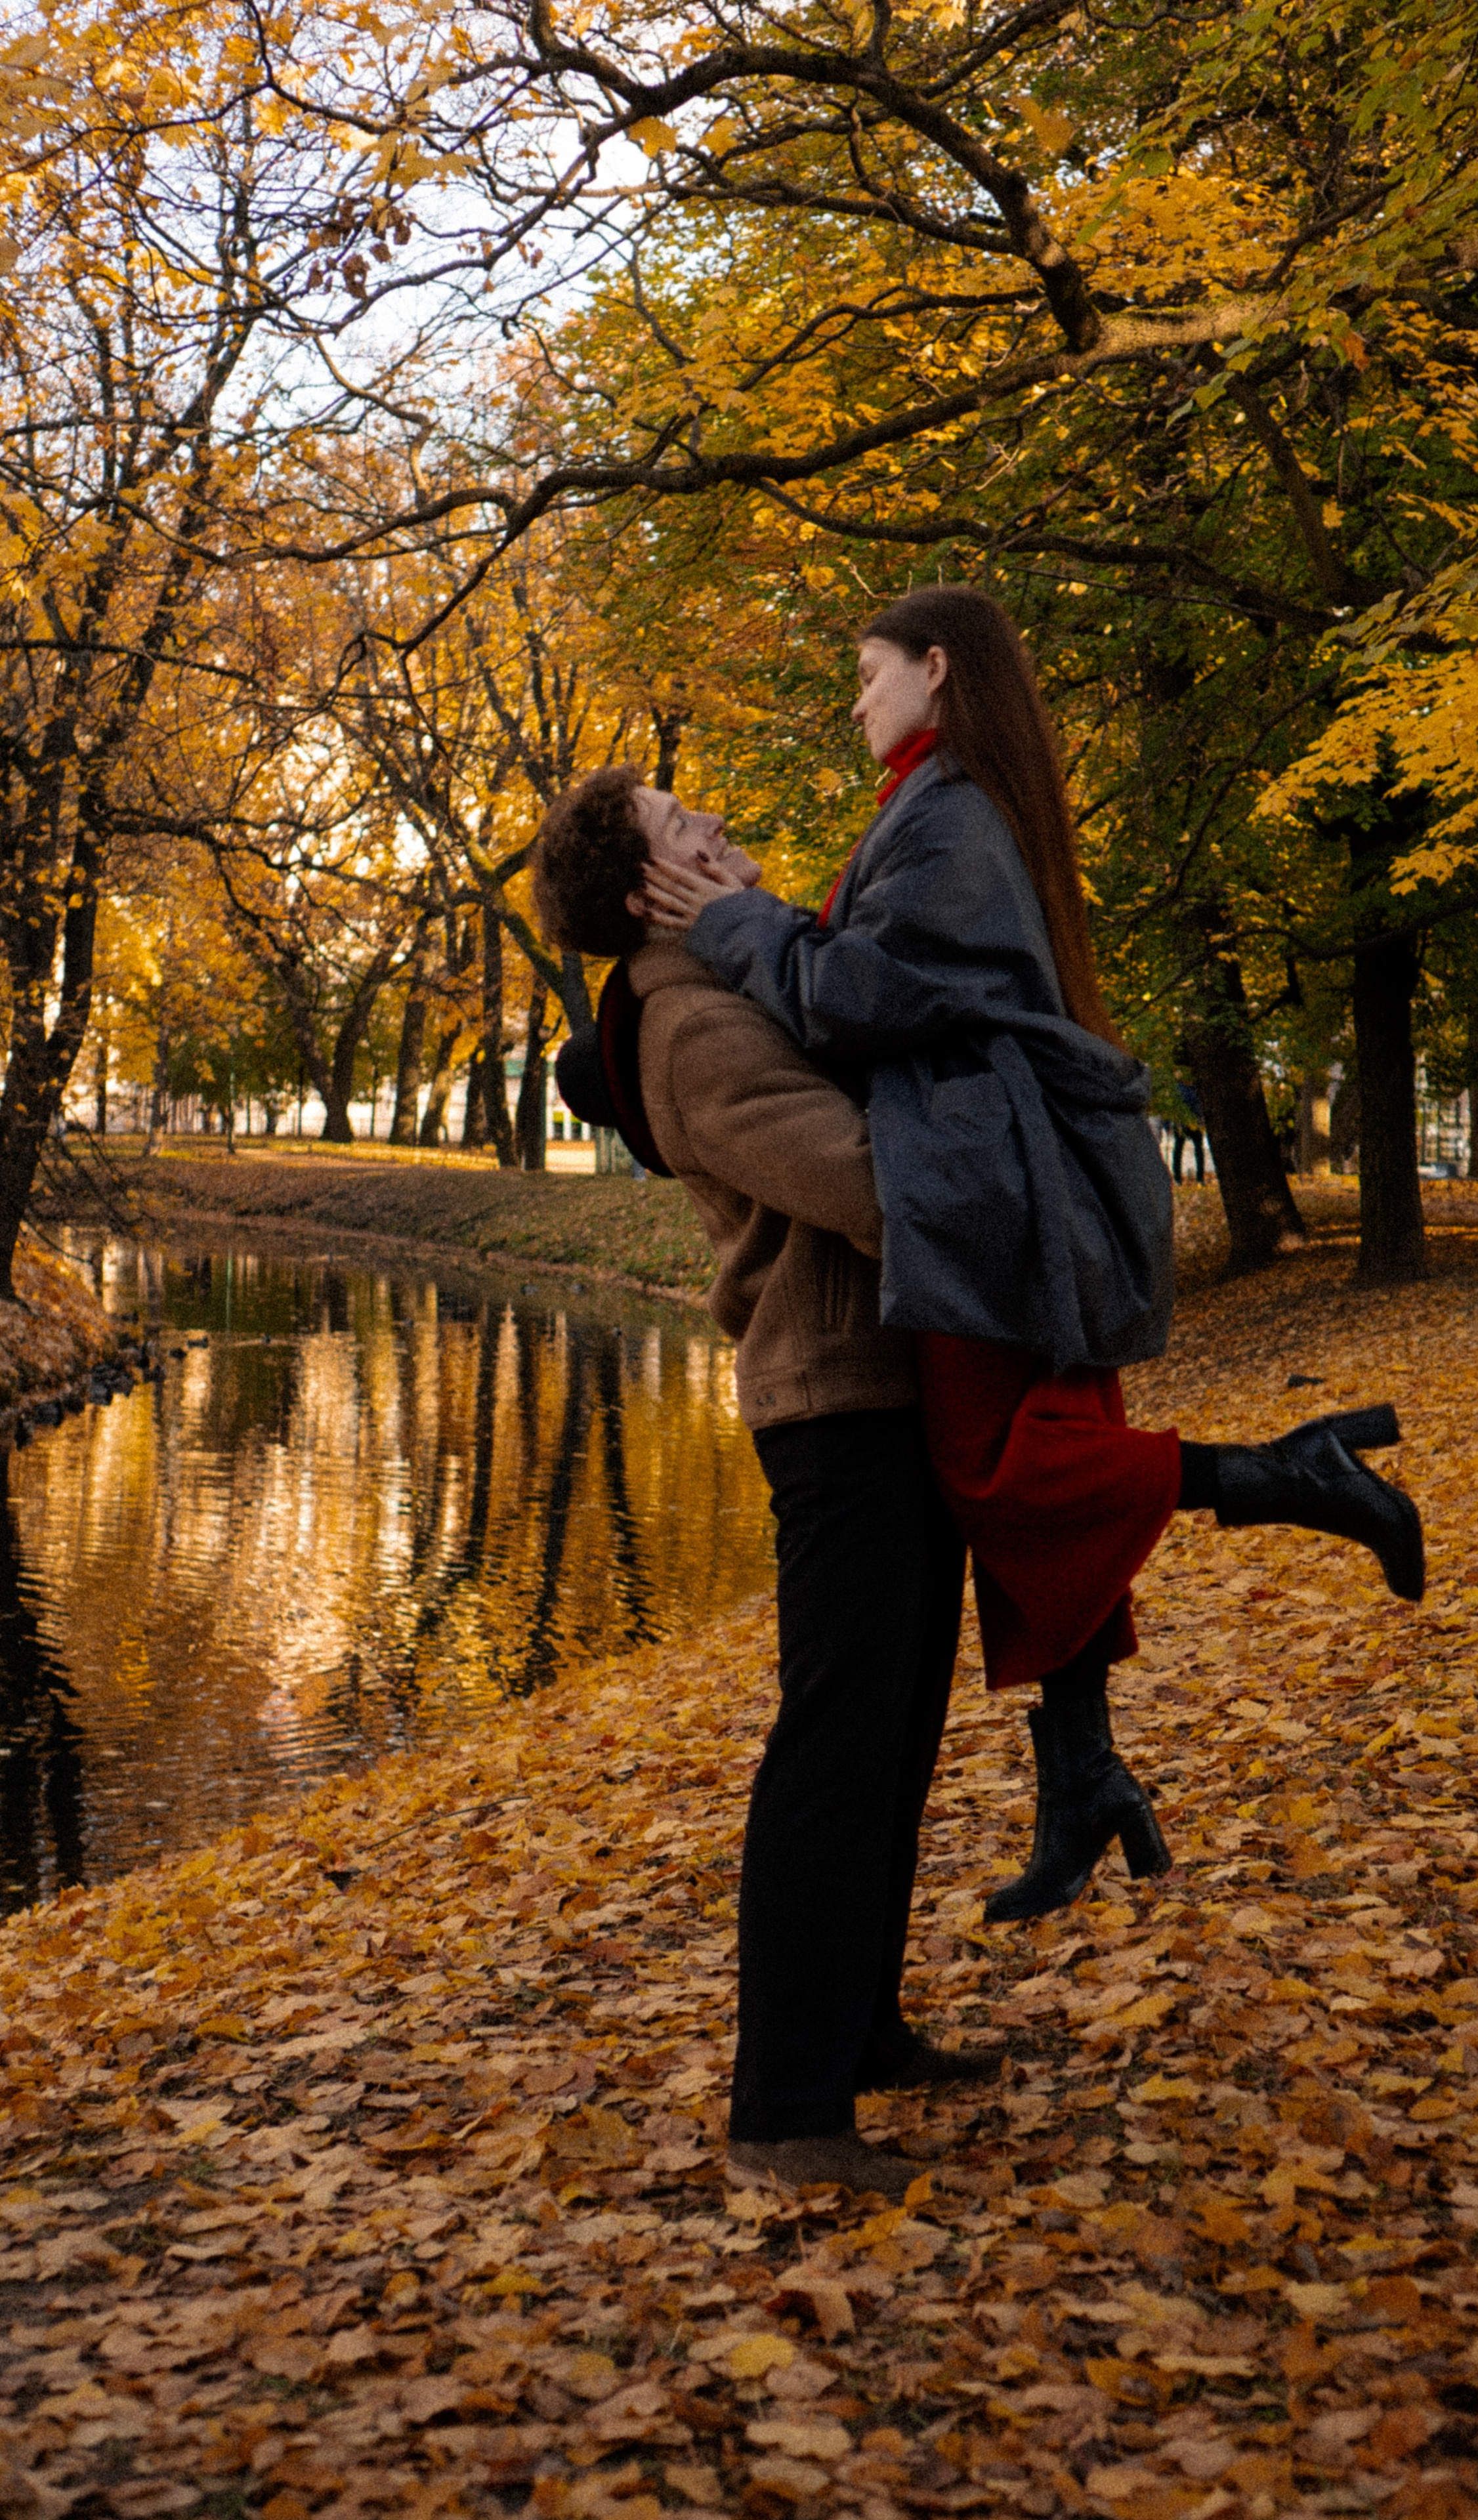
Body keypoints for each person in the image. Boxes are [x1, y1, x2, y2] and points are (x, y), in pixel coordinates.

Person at [635, 586, 1426, 1922]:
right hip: (994, 1180)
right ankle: (1082, 1774)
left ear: (935, 669)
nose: (852, 699)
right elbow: (861, 982)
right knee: (1042, 1457)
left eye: (866, 671)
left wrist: (725, 925)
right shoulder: (937, 802)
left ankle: (1298, 1474)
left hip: (979, 1193)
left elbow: (849, 999)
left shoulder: (947, 814)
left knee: (997, 1473)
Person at [531, 766, 996, 2205]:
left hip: (887, 1385)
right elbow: (858, 1178)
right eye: (689, 834)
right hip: (830, 1405)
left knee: (893, 1735)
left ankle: (857, 2033)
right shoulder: (689, 1023)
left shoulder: (742, 986)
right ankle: (783, 2108)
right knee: (832, 1751)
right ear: (642, 895)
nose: (723, 831)